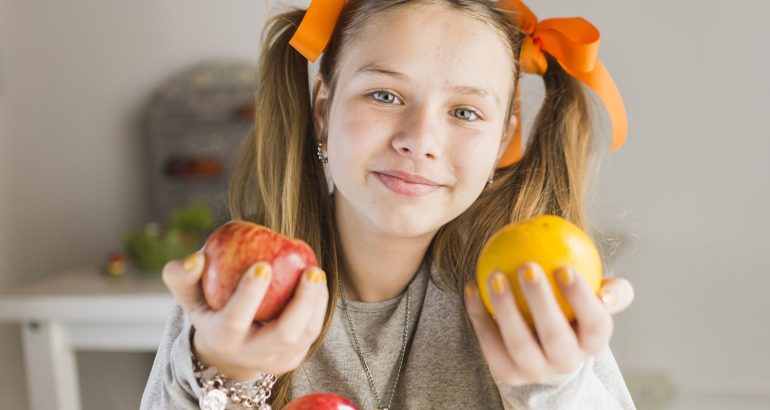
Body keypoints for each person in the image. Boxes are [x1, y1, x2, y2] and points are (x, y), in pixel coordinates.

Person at [141, 0, 638, 408]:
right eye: (384, 95)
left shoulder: (527, 303)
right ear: (323, 109)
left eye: (465, 111)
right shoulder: (235, 299)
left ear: (501, 141)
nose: (419, 140)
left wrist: (556, 388)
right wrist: (224, 376)